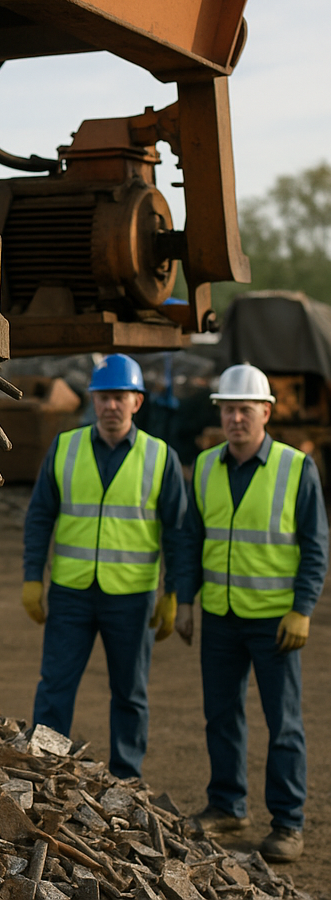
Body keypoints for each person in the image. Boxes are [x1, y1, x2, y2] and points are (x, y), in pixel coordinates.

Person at [174, 363, 328, 863]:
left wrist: (302, 609)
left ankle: (288, 823)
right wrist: (185, 601)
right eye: (228, 409)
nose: (236, 418)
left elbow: (315, 546)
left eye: (245, 409)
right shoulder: (205, 467)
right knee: (221, 716)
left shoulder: (295, 467)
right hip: (220, 615)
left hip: (274, 620)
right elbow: (191, 540)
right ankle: (226, 806)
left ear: (266, 411)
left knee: (283, 724)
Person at [21, 353, 187, 779]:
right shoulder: (65, 447)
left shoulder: (159, 457)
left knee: (130, 694)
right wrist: (31, 578)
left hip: (131, 598)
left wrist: (175, 594)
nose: (111, 406)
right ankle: (45, 769)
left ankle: (125, 780)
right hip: (72, 592)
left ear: (137, 401)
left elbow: (178, 532)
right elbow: (40, 516)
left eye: (120, 397)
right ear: (93, 401)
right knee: (55, 686)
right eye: (104, 397)